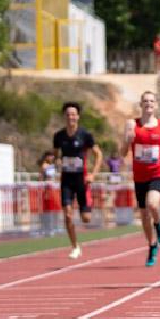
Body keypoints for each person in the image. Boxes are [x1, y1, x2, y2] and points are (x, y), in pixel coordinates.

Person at [123, 91, 160, 267]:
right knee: (143, 216)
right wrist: (127, 141)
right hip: (139, 176)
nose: (148, 103)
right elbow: (122, 153)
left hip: (157, 172)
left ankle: (159, 226)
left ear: (156, 105)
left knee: (153, 205)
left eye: (151, 101)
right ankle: (152, 245)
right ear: (141, 105)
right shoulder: (132, 125)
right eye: (145, 101)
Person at [53, 102, 102, 259]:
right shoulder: (58, 136)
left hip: (82, 180)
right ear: (64, 117)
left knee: (86, 219)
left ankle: (87, 205)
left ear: (78, 116)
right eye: (68, 114)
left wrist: (93, 174)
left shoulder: (85, 135)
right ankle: (75, 246)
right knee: (67, 215)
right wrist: (57, 162)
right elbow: (55, 155)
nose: (70, 117)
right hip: (67, 179)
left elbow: (98, 154)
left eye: (73, 114)